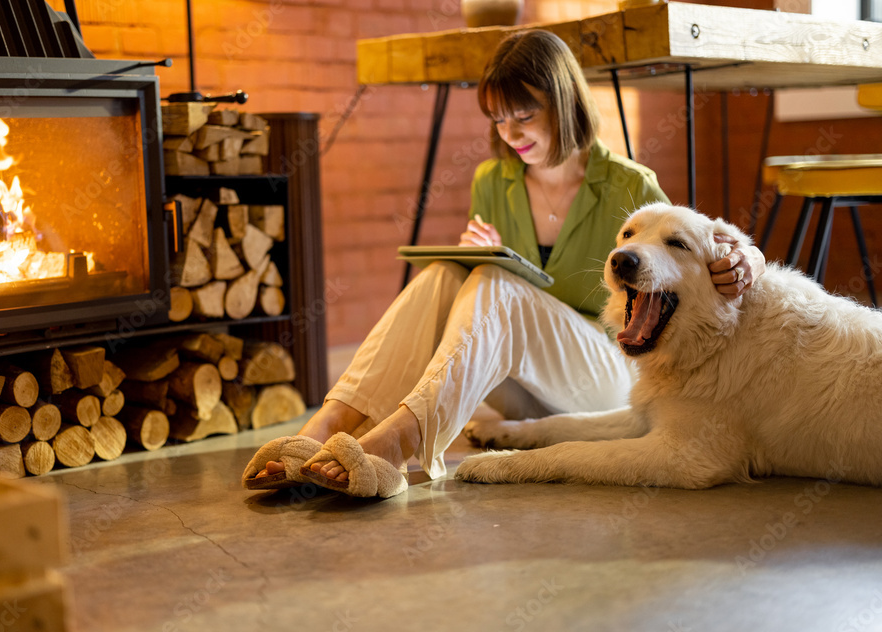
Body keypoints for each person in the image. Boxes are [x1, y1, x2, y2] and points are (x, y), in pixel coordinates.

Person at [243, 29, 765, 498]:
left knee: (493, 278)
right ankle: (329, 422)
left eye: (524, 114)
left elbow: (693, 254)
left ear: (562, 103)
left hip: (606, 374)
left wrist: (752, 259)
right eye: (497, 117)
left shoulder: (632, 184)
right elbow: (487, 311)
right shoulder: (493, 180)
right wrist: (475, 256)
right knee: (444, 275)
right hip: (523, 390)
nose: (510, 131)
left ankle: (398, 440)